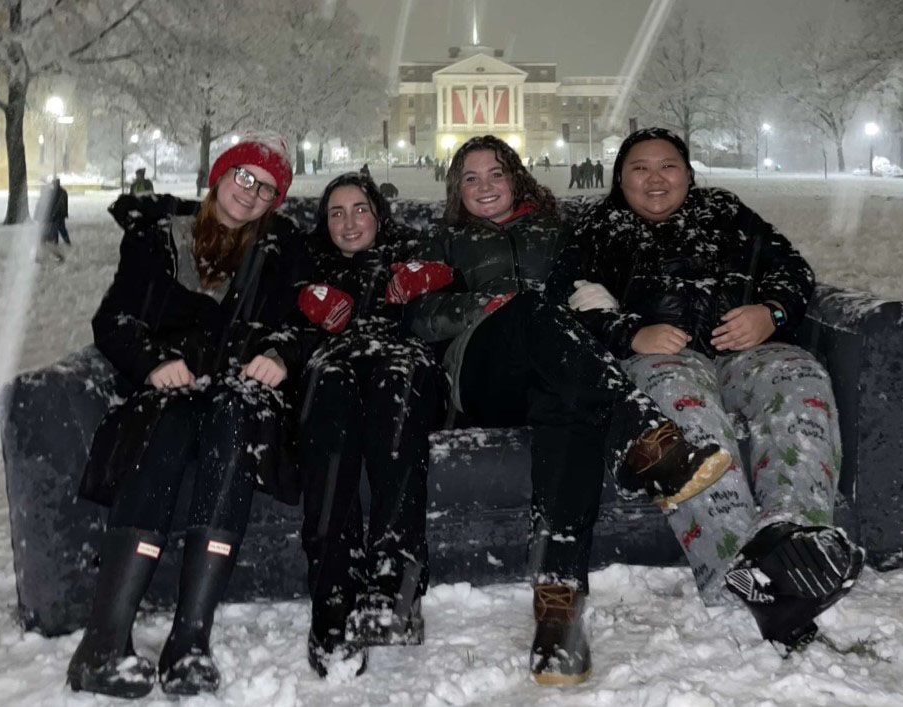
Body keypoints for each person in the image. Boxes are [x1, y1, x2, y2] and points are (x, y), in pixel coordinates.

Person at [404, 135, 729, 685]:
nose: (485, 187)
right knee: (532, 308)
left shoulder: (560, 233)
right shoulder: (442, 240)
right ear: (456, 190)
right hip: (482, 372)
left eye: (496, 174)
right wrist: (486, 304)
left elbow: (598, 286)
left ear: (517, 178)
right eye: (470, 178)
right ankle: (648, 438)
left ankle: (559, 612)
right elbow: (418, 316)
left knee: (568, 408)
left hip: (562, 373)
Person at [565, 127, 865, 652]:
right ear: (620, 178)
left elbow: (792, 270)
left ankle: (792, 549)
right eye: (639, 168)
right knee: (685, 411)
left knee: (800, 377)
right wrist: (631, 332)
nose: (655, 179)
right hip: (660, 358)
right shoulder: (596, 228)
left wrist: (768, 313)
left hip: (745, 352)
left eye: (668, 166)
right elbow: (569, 306)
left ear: (688, 174)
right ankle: (739, 580)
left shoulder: (725, 212)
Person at [67, 132, 309, 698]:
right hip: (171, 391)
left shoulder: (281, 250)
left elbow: (300, 325)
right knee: (167, 422)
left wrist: (279, 355)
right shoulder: (158, 238)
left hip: (237, 396)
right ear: (220, 175)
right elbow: (115, 320)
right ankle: (103, 644)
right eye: (244, 177)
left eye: (266, 188)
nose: (250, 194)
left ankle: (190, 641)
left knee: (234, 415)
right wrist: (154, 363)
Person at [293, 173, 449, 677]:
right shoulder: (308, 261)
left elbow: (453, 284)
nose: (348, 221)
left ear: (378, 215)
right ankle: (333, 593)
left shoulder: (405, 249)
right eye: (335, 212)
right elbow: (278, 308)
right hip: (333, 364)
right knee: (329, 392)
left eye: (359, 209)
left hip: (401, 365)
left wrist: (429, 277)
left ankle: (392, 579)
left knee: (395, 382)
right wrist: (305, 301)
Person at [36, 177, 70, 247]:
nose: (54, 185)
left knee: (57, 228)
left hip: (58, 214)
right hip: (58, 214)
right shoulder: (60, 192)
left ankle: (57, 242)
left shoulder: (59, 192)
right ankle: (57, 241)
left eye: (54, 183)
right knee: (57, 229)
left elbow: (60, 205)